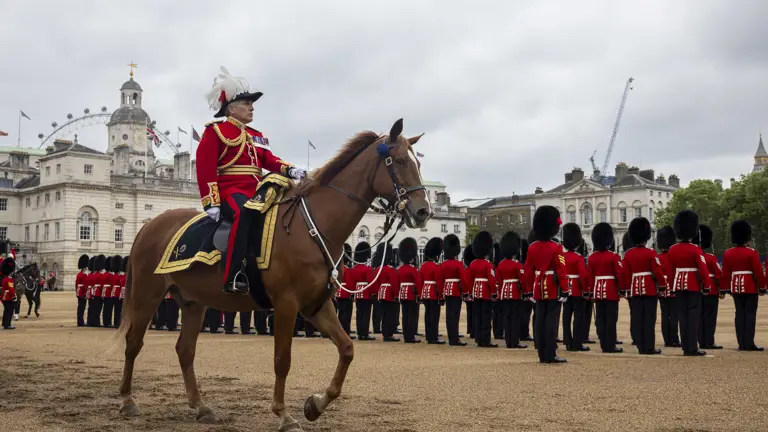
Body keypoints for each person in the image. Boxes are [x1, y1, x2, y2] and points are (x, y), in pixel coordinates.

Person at [197, 66, 305, 295]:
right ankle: (235, 273)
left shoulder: (255, 135)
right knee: (245, 213)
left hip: (257, 189)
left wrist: (290, 170)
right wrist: (211, 202)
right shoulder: (216, 131)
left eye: (251, 104)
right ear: (231, 108)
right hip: (230, 190)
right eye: (247, 103)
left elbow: (268, 159)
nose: (252, 107)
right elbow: (205, 168)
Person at [525, 206, 569, 362]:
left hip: (538, 288)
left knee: (539, 320)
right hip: (552, 288)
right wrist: (565, 289)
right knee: (551, 321)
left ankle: (541, 354)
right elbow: (561, 270)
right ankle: (551, 353)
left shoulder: (532, 247)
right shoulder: (556, 247)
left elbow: (528, 271)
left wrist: (528, 290)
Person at [668, 210, 713, 356]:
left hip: (678, 285)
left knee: (682, 317)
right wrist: (707, 286)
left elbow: (670, 270)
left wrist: (672, 286)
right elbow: (703, 270)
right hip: (693, 285)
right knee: (693, 317)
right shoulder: (695, 249)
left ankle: (685, 347)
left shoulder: (672, 249)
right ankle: (692, 347)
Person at [623, 217, 667, 355]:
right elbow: (657, 271)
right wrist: (662, 286)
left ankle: (640, 346)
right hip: (649, 289)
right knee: (649, 319)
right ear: (646, 238)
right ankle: (649, 347)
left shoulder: (628, 254)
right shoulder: (651, 253)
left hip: (635, 289)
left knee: (638, 318)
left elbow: (626, 274)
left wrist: (626, 289)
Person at [722, 220, 766, 351]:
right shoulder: (751, 252)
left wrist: (724, 288)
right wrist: (762, 287)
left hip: (735, 286)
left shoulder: (728, 253)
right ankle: (749, 343)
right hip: (750, 286)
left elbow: (726, 273)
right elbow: (758, 272)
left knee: (739, 314)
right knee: (750, 314)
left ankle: (741, 343)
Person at [586, 222, 624, 354]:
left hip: (598, 290)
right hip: (611, 290)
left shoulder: (592, 258)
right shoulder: (614, 256)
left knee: (600, 318)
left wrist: (591, 291)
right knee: (611, 319)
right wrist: (621, 289)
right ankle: (610, 345)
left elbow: (590, 276)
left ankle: (603, 344)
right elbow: (620, 274)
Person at [561, 223, 589, 352]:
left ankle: (567, 341)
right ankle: (577, 342)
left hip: (565, 289)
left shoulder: (562, 257)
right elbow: (582, 275)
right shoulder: (578, 257)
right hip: (577, 289)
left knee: (566, 316)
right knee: (578, 317)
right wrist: (585, 290)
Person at [467, 231, 498, 348]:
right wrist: (494, 293)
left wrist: (470, 292)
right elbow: (491, 281)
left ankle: (478, 339)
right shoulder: (488, 264)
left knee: (477, 316)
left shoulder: (473, 264)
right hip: (485, 292)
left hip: (476, 292)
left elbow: (469, 280)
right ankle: (485, 340)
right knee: (486, 317)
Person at [496, 230, 526, 349]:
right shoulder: (516, 264)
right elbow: (522, 280)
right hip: (515, 293)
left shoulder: (501, 264)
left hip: (504, 293)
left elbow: (499, 281)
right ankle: (515, 341)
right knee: (515, 317)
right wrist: (525, 292)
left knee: (507, 317)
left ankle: (508, 341)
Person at [696, 225, 723, 350]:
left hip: (697, 289)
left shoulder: (693, 257)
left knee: (699, 316)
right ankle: (709, 341)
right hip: (711, 290)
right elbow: (719, 274)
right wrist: (721, 288)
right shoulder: (711, 257)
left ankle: (701, 341)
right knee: (710, 317)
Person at [441, 234, 467, 346]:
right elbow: (463, 279)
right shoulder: (458, 264)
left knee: (449, 315)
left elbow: (440, 279)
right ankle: (455, 338)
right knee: (455, 315)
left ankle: (451, 337)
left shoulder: (443, 264)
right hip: (456, 290)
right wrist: (465, 292)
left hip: (447, 290)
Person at [655, 227, 680, 348]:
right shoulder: (674, 256)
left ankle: (667, 339)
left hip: (661, 289)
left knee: (664, 314)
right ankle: (674, 339)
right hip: (672, 287)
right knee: (674, 315)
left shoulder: (657, 257)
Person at [372, 243, 399, 342]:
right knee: (390, 314)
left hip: (381, 293)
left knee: (383, 314)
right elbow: (394, 284)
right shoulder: (390, 269)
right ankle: (389, 334)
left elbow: (376, 284)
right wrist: (396, 295)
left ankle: (385, 333)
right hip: (389, 294)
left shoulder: (378, 269)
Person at [420, 237, 445, 344]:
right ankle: (433, 337)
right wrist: (441, 296)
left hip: (425, 292)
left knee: (427, 314)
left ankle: (428, 335)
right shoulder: (436, 266)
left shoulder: (423, 266)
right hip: (433, 293)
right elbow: (439, 283)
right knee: (434, 316)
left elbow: (420, 281)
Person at [398, 238, 422, 344]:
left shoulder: (400, 269)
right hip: (411, 294)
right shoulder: (413, 269)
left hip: (403, 294)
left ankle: (406, 335)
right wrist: (419, 295)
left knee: (405, 315)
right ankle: (411, 336)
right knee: (411, 316)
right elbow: (418, 283)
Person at [352, 242, 375, 341]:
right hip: (366, 293)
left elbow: (352, 282)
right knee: (366, 314)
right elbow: (370, 283)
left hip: (358, 293)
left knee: (359, 313)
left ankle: (360, 333)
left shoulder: (354, 269)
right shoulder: (367, 269)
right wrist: (373, 293)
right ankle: (364, 333)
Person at [336, 243, 355, 338]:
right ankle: (345, 332)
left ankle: (340, 332)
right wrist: (352, 293)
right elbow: (350, 284)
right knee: (346, 315)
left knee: (340, 314)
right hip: (346, 293)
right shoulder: (347, 270)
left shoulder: (337, 269)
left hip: (339, 293)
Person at [462, 244, 476, 339]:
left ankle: (470, 329)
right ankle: (473, 330)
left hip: (468, 293)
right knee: (475, 313)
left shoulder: (467, 269)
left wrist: (465, 293)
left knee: (470, 312)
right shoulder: (473, 268)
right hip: (474, 293)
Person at [1, 257, 16, 330]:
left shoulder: (4, 279)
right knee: (10, 311)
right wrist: (14, 296)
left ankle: (5, 324)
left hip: (4, 297)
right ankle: (8, 324)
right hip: (9, 297)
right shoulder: (9, 279)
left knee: (6, 311)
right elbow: (11, 289)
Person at [75, 254, 89, 327]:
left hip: (79, 292)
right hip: (82, 292)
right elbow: (85, 285)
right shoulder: (84, 275)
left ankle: (79, 321)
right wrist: (86, 293)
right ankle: (81, 322)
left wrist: (77, 292)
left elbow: (76, 285)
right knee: (82, 308)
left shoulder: (79, 274)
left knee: (80, 307)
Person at [114, 256, 128, 328]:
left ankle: (118, 322)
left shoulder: (121, 277)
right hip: (126, 294)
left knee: (119, 309)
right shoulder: (127, 277)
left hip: (121, 294)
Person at [102, 256, 114, 328]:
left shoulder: (104, 274)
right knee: (109, 309)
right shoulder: (110, 275)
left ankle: (105, 322)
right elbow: (112, 284)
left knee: (105, 308)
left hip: (104, 292)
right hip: (109, 292)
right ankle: (108, 322)